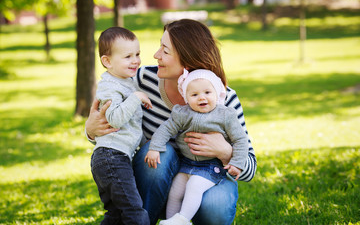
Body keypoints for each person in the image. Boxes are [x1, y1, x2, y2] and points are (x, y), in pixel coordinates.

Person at [85, 19, 257, 225]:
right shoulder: (140, 81)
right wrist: (90, 131)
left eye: (165, 51)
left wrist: (225, 152)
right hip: (158, 178)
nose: (156, 55)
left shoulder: (224, 98)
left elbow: (250, 170)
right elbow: (109, 124)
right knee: (158, 154)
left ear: (188, 60)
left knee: (216, 206)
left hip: (207, 177)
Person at [145, 69, 249, 225]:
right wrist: (155, 147)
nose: (202, 97)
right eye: (194, 95)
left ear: (217, 93)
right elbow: (166, 128)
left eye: (207, 92)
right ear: (186, 97)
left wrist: (237, 163)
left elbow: (241, 140)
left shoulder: (225, 115)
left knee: (194, 186)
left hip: (211, 166)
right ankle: (171, 221)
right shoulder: (183, 113)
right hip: (187, 164)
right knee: (175, 191)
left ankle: (183, 219)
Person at [90, 27, 152, 225]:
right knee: (135, 213)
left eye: (137, 54)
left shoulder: (126, 81)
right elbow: (115, 118)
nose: (135, 60)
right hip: (111, 158)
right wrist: (135, 98)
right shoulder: (110, 87)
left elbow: (132, 127)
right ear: (107, 61)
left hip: (114, 158)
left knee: (116, 215)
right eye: (128, 56)